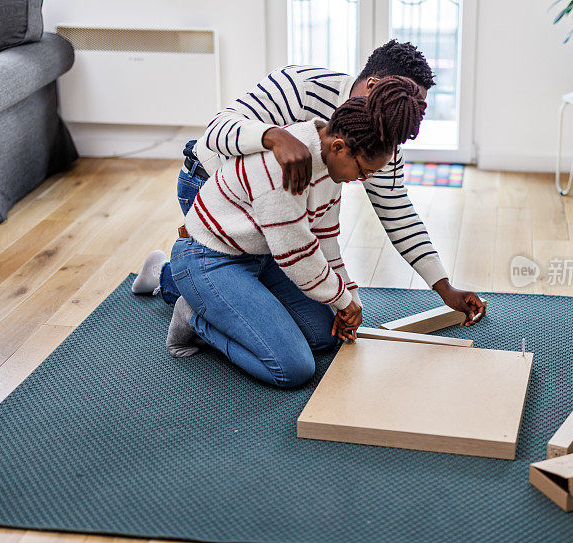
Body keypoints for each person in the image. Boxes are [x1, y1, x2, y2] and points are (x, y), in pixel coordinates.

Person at [132, 39, 486, 325]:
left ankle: (223, 283)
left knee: (312, 314)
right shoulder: (301, 86)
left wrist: (445, 288)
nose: (405, 123)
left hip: (285, 215)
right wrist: (273, 137)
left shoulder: (384, 138)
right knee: (273, 283)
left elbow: (399, 214)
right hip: (212, 187)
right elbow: (215, 133)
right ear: (374, 85)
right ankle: (174, 279)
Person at [167, 76, 425, 388]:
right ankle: (195, 318)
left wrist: (350, 297)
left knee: (324, 337)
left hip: (260, 257)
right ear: (340, 148)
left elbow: (326, 240)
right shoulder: (286, 169)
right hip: (210, 258)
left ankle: (220, 303)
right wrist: (342, 300)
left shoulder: (329, 162)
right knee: (293, 369)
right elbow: (297, 256)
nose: (362, 179)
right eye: (363, 171)